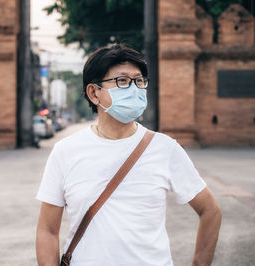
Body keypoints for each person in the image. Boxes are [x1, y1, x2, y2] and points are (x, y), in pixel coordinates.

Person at [35, 44, 222, 266]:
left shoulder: (165, 148)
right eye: (122, 81)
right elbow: (47, 229)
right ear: (94, 93)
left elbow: (210, 211)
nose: (134, 88)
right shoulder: (66, 151)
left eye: (139, 81)